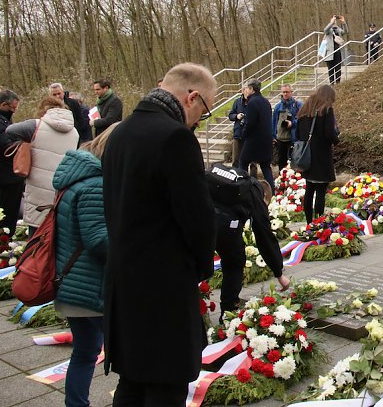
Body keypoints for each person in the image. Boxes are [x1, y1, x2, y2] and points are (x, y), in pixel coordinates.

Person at [102, 63, 217, 405]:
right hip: (163, 290)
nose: (200, 120)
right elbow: (197, 218)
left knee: (132, 383)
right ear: (191, 97)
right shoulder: (175, 137)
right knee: (165, 388)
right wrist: (200, 267)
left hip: (125, 284)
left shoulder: (120, 132)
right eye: (204, 110)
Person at [53, 123, 118, 407]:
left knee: (86, 350)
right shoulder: (94, 184)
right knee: (129, 354)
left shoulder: (75, 177)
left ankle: (76, 403)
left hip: (73, 282)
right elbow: (98, 241)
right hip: (90, 287)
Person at [207, 163, 289, 318]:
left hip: (200, 219)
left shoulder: (229, 175)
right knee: (234, 263)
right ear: (265, 196)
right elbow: (263, 233)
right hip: (225, 226)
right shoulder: (254, 191)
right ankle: (228, 311)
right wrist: (279, 272)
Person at [6, 95, 79, 231]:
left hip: (38, 185)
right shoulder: (74, 131)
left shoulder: (35, 125)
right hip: (62, 185)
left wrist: (25, 143)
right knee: (57, 230)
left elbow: (10, 131)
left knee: (36, 231)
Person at [295, 85, 340, 224]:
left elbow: (297, 134)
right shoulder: (326, 110)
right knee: (320, 193)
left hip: (307, 158)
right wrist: (336, 138)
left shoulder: (304, 110)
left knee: (309, 191)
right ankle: (319, 223)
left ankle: (309, 223)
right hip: (322, 157)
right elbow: (329, 133)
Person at [0, 90, 24, 234]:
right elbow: (7, 148)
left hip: (8, 174)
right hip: (6, 175)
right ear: (4, 104)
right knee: (7, 212)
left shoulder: (2, 120)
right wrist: (23, 143)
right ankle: (4, 238)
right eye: (13, 108)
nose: (14, 111)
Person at [237, 78, 274, 191]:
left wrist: (243, 134)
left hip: (254, 140)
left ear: (251, 89)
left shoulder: (252, 102)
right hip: (266, 140)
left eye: (247, 88)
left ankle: (241, 189)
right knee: (265, 166)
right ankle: (272, 192)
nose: (245, 90)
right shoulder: (265, 101)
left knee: (243, 163)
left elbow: (250, 123)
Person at [272, 85, 302, 170]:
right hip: (280, 139)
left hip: (293, 139)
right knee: (281, 164)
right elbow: (274, 122)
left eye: (287, 92)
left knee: (293, 163)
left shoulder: (297, 105)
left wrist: (292, 123)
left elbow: (302, 119)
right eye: (283, 92)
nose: (285, 94)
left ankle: (294, 182)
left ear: (291, 92)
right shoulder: (278, 106)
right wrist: (273, 136)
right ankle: (281, 181)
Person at [324, 15, 346, 84]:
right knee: (330, 68)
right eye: (333, 21)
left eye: (335, 21)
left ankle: (338, 82)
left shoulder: (338, 29)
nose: (334, 22)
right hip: (329, 52)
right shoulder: (328, 30)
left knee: (338, 68)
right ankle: (332, 82)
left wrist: (343, 23)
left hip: (337, 51)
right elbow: (325, 30)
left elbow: (346, 32)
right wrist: (331, 23)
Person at [227, 88, 247, 166]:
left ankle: (252, 177)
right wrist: (237, 116)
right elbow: (230, 115)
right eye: (245, 90)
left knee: (252, 161)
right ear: (243, 91)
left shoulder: (253, 102)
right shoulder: (237, 102)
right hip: (238, 134)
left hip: (249, 135)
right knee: (236, 159)